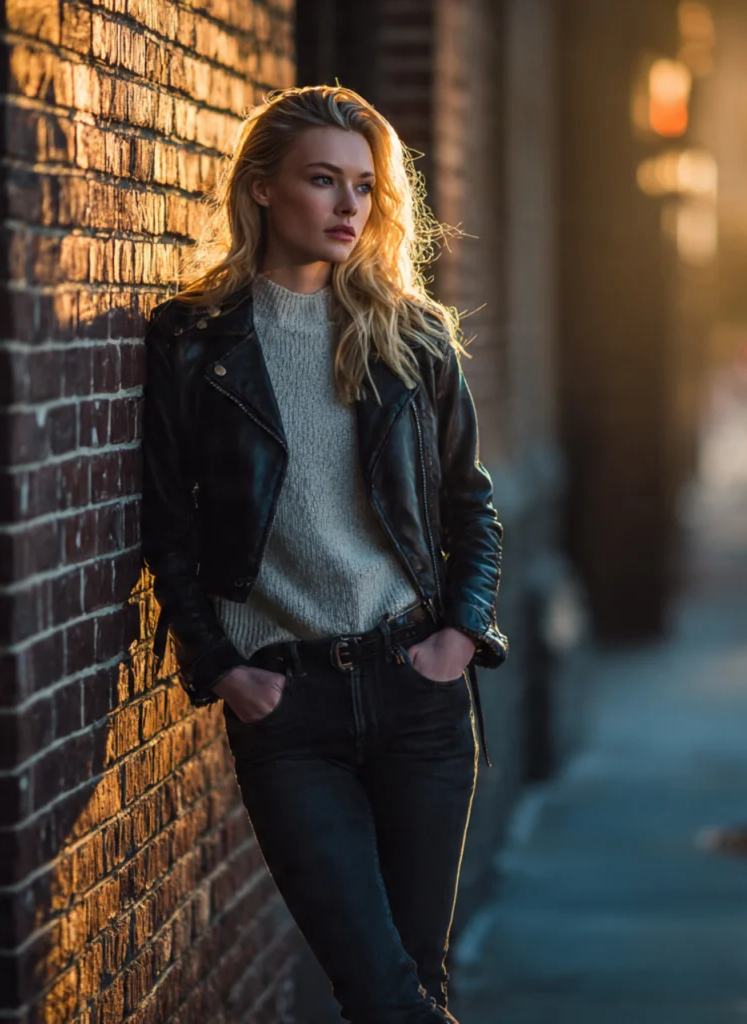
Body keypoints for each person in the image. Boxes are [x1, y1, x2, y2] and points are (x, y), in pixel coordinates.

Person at [140, 84, 508, 1024]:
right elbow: (168, 527)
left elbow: (472, 509)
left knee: (411, 986)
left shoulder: (413, 338)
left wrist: (457, 640)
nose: (350, 206)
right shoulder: (192, 342)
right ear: (262, 190)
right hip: (287, 708)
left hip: (417, 693)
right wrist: (221, 667)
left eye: (363, 186)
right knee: (379, 990)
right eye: (321, 180)